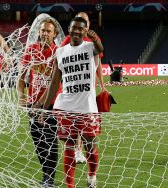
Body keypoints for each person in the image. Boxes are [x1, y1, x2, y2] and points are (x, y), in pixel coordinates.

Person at [42, 16, 102, 188]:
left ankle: (92, 176)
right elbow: (54, 82)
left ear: (84, 31)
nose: (76, 31)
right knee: (68, 147)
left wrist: (96, 38)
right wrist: (45, 109)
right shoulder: (60, 52)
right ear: (69, 29)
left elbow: (100, 48)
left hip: (87, 108)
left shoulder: (91, 48)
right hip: (65, 107)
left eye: (80, 29)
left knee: (90, 146)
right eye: (74, 27)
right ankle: (70, 185)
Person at [17, 17, 60, 187]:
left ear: (54, 34)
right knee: (38, 142)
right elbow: (21, 77)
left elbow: (53, 83)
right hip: (32, 105)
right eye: (42, 30)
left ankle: (49, 177)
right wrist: (21, 97)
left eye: (48, 31)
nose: (45, 33)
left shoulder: (58, 52)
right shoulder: (31, 51)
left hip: (51, 104)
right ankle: (45, 173)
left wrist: (40, 104)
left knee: (50, 141)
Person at [60, 11, 106, 164]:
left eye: (85, 21)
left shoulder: (94, 40)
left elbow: (98, 63)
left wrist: (101, 84)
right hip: (71, 87)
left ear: (88, 25)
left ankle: (85, 157)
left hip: (88, 90)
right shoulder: (68, 39)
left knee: (86, 128)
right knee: (74, 123)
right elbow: (60, 59)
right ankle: (77, 151)